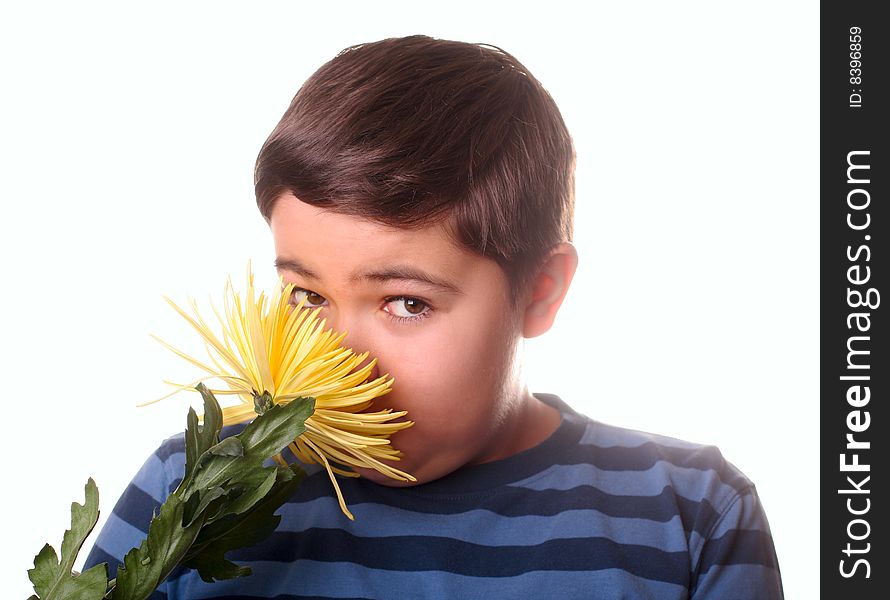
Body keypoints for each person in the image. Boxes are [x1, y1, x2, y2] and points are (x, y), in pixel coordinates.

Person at [84, 35, 784, 599]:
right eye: (308, 298)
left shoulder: (691, 517)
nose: (333, 369)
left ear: (539, 291)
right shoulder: (194, 486)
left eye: (405, 303)